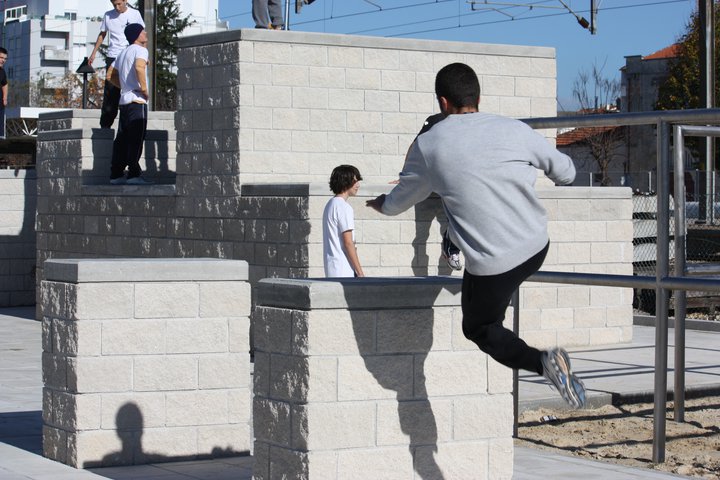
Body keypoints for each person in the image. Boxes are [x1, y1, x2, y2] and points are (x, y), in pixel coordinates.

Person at [367, 62, 586, 409]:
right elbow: (568, 173)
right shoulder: (515, 129)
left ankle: (542, 362)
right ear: (478, 97)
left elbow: (402, 200)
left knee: (480, 328)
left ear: (442, 103)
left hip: (494, 265)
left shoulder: (429, 143)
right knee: (465, 220)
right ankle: (454, 241)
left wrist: (380, 204)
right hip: (536, 245)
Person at [106, 24, 152, 186]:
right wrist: (144, 89)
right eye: (142, 31)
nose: (145, 33)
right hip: (137, 100)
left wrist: (125, 86)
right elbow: (140, 67)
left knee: (122, 139)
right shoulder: (141, 50)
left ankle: (116, 174)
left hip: (124, 101)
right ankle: (133, 174)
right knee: (136, 139)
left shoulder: (123, 52)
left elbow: (109, 75)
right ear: (136, 35)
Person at [88, 0, 145, 129]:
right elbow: (102, 34)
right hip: (113, 56)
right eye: (114, 5)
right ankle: (105, 124)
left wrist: (143, 53)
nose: (117, 7)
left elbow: (142, 35)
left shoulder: (135, 14)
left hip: (129, 55)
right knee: (111, 91)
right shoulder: (108, 15)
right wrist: (93, 53)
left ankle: (128, 123)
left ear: (126, 1)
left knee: (129, 89)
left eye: (119, 4)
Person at [323, 165, 365, 278]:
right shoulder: (344, 207)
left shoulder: (330, 205)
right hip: (344, 271)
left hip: (332, 269)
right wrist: (360, 273)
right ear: (345, 182)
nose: (358, 185)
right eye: (355, 181)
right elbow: (348, 243)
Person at [0, 47, 8, 139]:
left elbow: (5, 84)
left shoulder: (2, 71)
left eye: (5, 58)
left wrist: (5, 98)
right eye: (1, 57)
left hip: (1, 105)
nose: (3, 60)